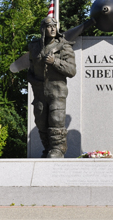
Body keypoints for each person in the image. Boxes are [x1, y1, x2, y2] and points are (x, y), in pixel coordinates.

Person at [27, 17, 76, 158]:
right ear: (43, 29)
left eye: (55, 26)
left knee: (56, 119)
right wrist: (32, 80)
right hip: (39, 91)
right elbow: (31, 68)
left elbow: (72, 71)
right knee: (41, 121)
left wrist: (55, 62)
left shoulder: (65, 46)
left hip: (57, 90)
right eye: (49, 26)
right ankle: (48, 148)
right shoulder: (34, 47)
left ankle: (58, 149)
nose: (53, 29)